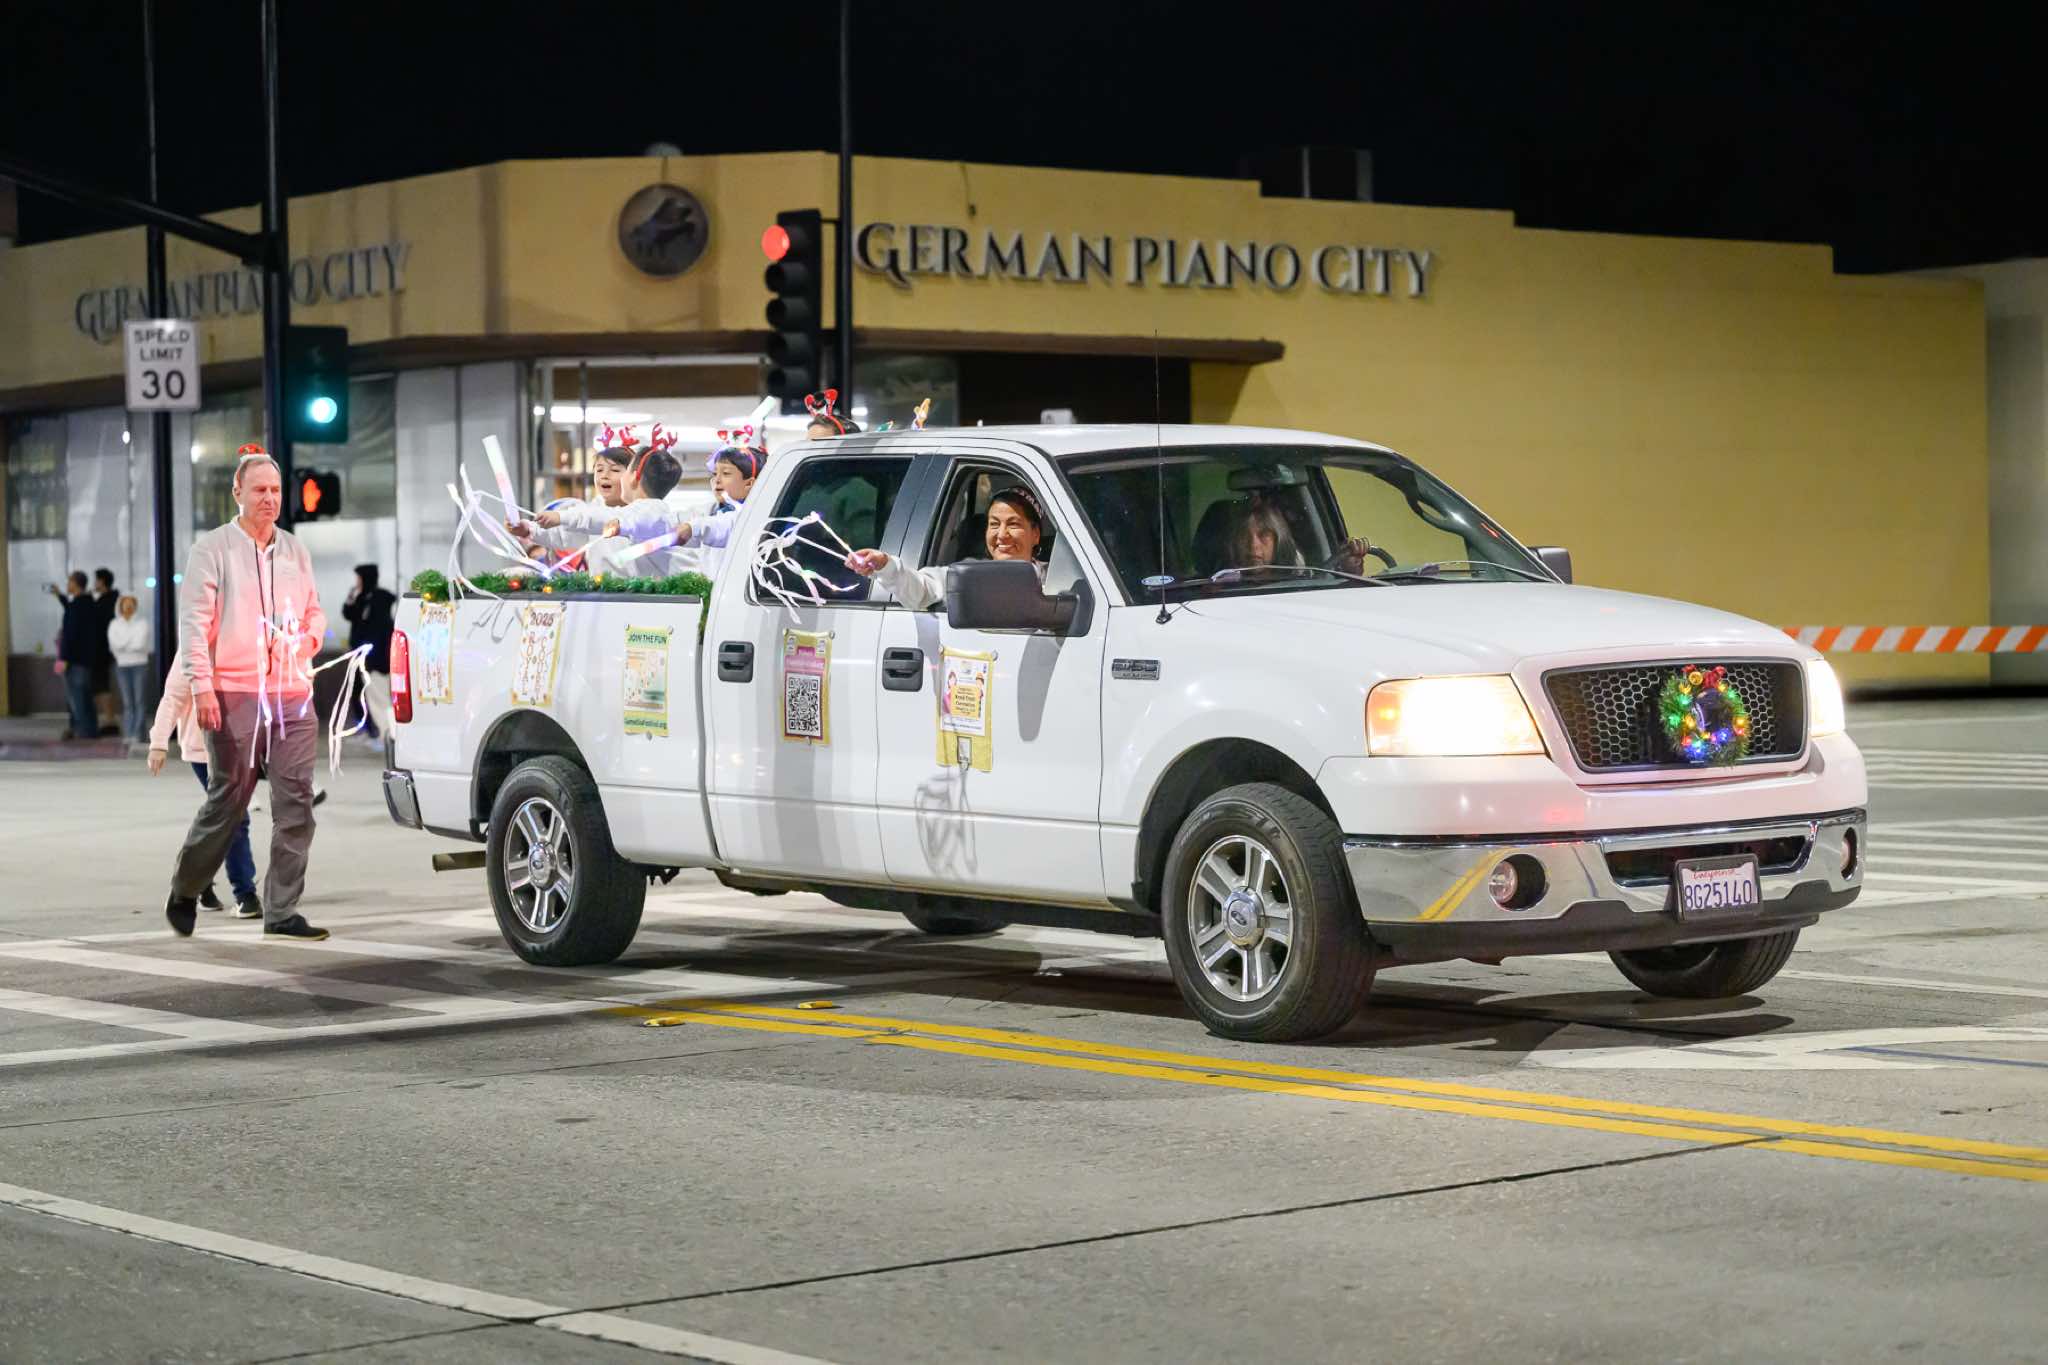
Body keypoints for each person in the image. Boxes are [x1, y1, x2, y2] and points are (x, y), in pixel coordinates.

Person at [163, 443, 329, 942]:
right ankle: (186, 887)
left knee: (296, 802)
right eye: (259, 490)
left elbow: (315, 611)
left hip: (291, 692)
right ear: (237, 492)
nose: (269, 499)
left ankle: (281, 911)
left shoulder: (295, 550)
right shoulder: (212, 549)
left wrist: (308, 640)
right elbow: (194, 625)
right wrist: (203, 687)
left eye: (275, 490)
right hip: (233, 690)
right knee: (229, 800)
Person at [148, 663, 260, 919]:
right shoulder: (192, 649)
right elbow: (173, 697)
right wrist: (158, 743)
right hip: (203, 749)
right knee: (234, 817)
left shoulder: (246, 645)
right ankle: (245, 894)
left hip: (241, 744)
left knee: (221, 817)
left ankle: (200, 882)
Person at [845, 484, 1046, 609]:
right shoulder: (967, 575)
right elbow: (921, 590)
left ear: (1035, 534)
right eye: (994, 524)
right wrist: (885, 564)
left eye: (1013, 524)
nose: (1001, 535)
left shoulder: (1054, 580)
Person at [1226, 497, 1376, 576]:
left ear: (1279, 541)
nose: (1253, 545)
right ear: (1234, 543)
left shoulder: (1303, 582)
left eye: (1264, 535)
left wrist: (1350, 571)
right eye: (1244, 536)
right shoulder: (1220, 588)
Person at [341, 563, 397, 739]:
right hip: (362, 657)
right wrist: (352, 597)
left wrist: (374, 659)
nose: (356, 582)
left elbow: (379, 630)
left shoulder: (378, 599)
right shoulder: (360, 597)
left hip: (376, 661)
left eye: (359, 578)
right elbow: (348, 613)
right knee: (359, 694)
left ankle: (385, 732)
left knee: (378, 697)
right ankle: (371, 730)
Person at [50, 572, 102, 739]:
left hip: (74, 660)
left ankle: (83, 732)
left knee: (77, 697)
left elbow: (70, 635)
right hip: (85, 659)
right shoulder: (87, 603)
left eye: (69, 582)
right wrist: (60, 596)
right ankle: (90, 730)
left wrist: (64, 658)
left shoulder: (77, 606)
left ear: (76, 584)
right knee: (85, 696)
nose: (67, 585)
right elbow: (71, 609)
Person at [108, 594, 152, 743]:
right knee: (128, 702)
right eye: (125, 604)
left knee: (139, 701)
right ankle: (129, 733)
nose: (128, 607)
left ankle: (138, 734)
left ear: (135, 606)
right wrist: (129, 641)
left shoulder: (142, 623)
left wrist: (123, 644)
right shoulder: (114, 624)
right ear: (120, 606)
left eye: (131, 604)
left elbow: (140, 644)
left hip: (140, 664)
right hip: (122, 665)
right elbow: (114, 645)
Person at [90, 567, 120, 729]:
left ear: (102, 582)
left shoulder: (107, 601)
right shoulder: (108, 599)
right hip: (103, 649)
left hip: (102, 650)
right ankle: (108, 719)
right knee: (101, 685)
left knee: (102, 685)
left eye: (96, 580)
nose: (94, 583)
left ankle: (110, 719)